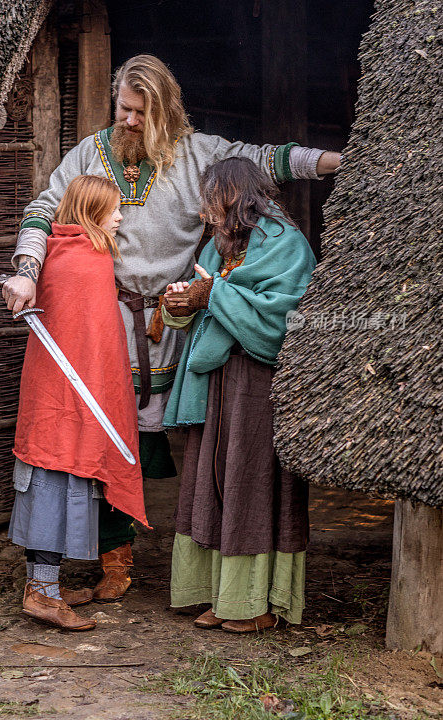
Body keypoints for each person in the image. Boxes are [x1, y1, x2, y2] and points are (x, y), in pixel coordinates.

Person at [2, 54, 340, 599]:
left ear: (165, 111)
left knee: (193, 440)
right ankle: (115, 564)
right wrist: (26, 269)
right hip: (103, 324)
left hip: (174, 324)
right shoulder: (91, 153)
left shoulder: (198, 153)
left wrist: (336, 163)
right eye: (122, 107)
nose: (128, 120)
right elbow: (46, 210)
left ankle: (209, 566)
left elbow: (267, 161)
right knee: (106, 437)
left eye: (140, 112)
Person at [162, 157, 315, 633]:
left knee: (253, 485)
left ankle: (257, 603)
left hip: (260, 385)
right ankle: (220, 593)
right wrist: (181, 305)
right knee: (212, 481)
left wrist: (212, 297)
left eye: (212, 199)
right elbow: (205, 300)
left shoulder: (286, 245)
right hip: (217, 386)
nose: (206, 211)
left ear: (235, 197)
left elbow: (283, 318)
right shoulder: (217, 247)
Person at [9, 174, 148, 630]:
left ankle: (44, 584)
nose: (121, 216)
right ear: (91, 211)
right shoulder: (80, 259)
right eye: (113, 209)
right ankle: (43, 593)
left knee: (57, 477)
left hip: (68, 394)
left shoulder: (73, 250)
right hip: (64, 397)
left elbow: (97, 335)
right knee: (53, 479)